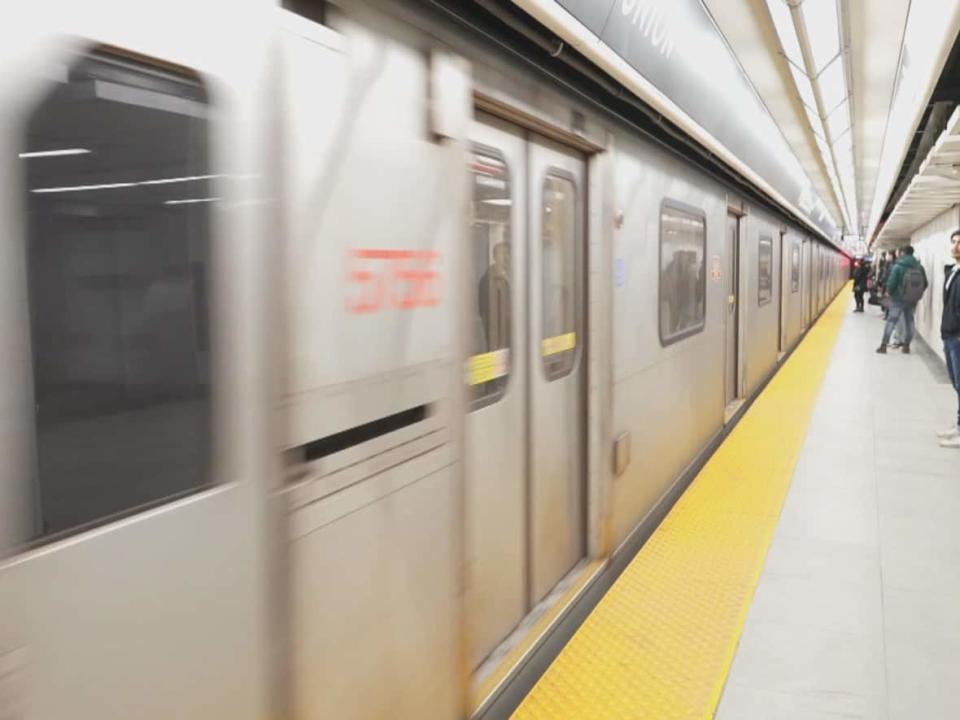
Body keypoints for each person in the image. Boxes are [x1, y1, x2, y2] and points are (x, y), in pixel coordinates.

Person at [877, 245, 927, 354]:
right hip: (912, 299)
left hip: (897, 299)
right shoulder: (919, 267)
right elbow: (925, 283)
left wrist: (890, 293)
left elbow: (891, 283)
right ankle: (906, 346)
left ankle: (883, 345)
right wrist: (915, 293)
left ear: (902, 253)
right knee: (909, 322)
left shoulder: (898, 266)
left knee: (891, 321)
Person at [937, 230, 960, 448]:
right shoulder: (953, 271)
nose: (955, 246)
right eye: (953, 242)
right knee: (957, 383)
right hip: (950, 334)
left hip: (958, 337)